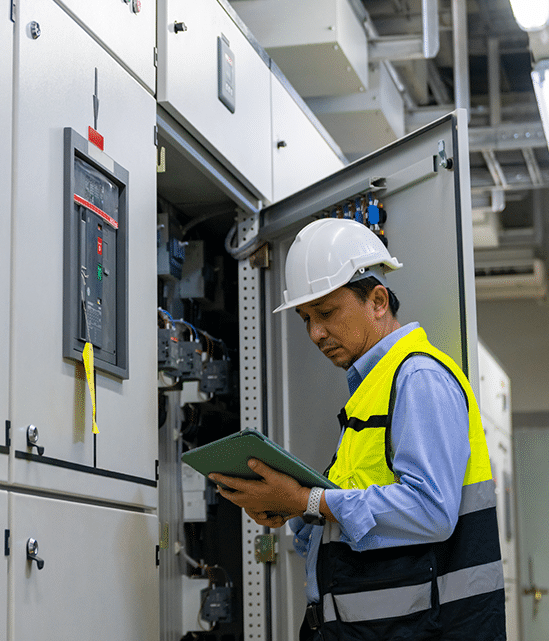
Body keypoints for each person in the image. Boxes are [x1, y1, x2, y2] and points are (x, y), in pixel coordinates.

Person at [209, 217, 505, 641]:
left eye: (327, 313)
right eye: (305, 318)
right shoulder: (373, 390)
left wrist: (309, 500)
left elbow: (432, 512)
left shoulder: (417, 377)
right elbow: (360, 512)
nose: (315, 333)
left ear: (378, 300)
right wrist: (295, 508)